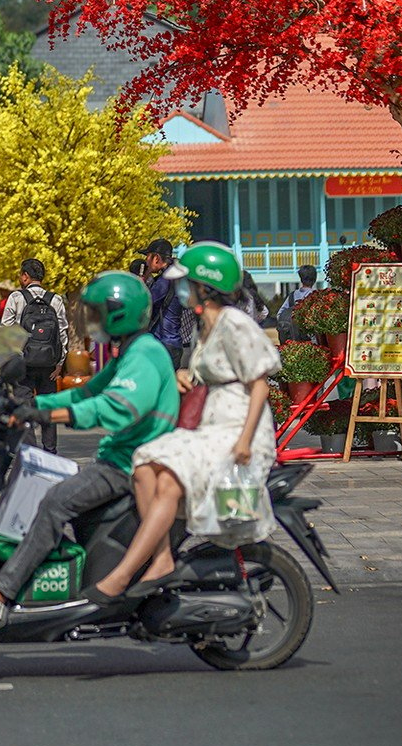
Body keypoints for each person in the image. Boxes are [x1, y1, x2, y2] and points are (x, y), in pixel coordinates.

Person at [0, 269, 179, 627]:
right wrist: (35, 406)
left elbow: (117, 405)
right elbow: (87, 391)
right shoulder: (127, 352)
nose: (93, 321)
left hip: (129, 463)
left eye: (98, 313)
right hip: (120, 457)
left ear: (119, 314)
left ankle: (4, 590)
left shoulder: (144, 354)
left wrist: (53, 414)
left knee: (54, 501)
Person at [90, 241, 281, 600]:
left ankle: (124, 574)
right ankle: (160, 559)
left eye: (185, 283)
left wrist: (243, 441)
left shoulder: (235, 323)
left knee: (168, 482)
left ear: (205, 287)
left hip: (238, 430)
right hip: (211, 426)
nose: (179, 289)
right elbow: (209, 376)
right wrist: (184, 378)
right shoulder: (204, 329)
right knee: (144, 463)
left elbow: (259, 387)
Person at [1, 258, 67, 453]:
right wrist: (60, 363)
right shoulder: (55, 299)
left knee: (23, 406)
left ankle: (29, 451)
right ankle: (50, 450)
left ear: (25, 276)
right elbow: (62, 331)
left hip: (24, 363)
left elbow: (5, 329)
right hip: (48, 363)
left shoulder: (16, 297)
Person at [143, 237, 191, 371]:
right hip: (173, 343)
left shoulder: (165, 280)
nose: (146, 262)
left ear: (156, 258)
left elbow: (145, 303)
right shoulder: (176, 275)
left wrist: (144, 279)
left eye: (148, 257)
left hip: (163, 344)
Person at [276, 264, 318, 340]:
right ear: (315, 279)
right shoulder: (316, 296)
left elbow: (279, 315)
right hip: (310, 340)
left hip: (292, 340)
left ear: (301, 279)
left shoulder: (292, 296)